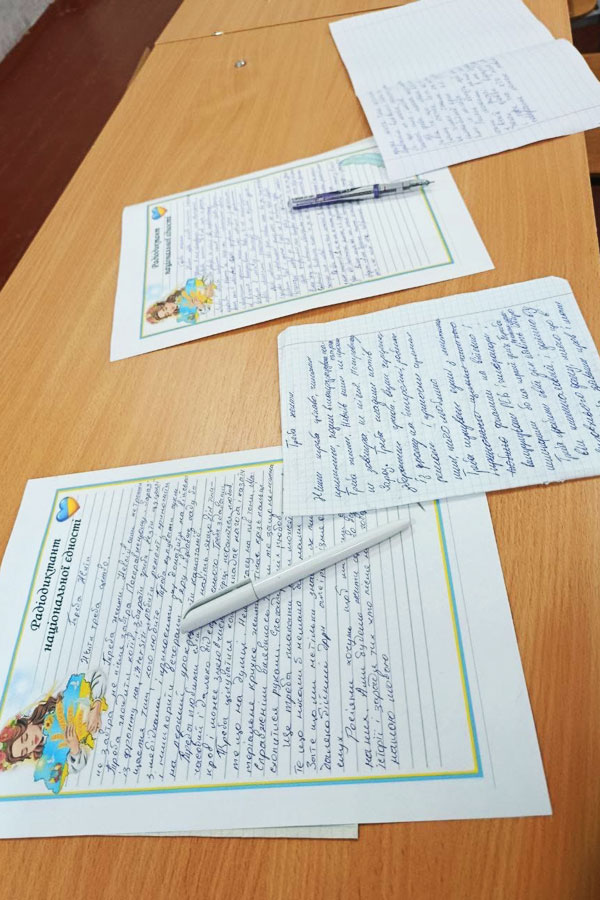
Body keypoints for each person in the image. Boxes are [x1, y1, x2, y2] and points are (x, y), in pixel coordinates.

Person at [0, 669, 107, 793]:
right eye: (25, 750)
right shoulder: (50, 756)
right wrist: (74, 748)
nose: (30, 743)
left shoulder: (54, 703)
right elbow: (78, 767)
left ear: (26, 723)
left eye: (25, 737)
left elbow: (97, 675)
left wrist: (96, 706)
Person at [145, 277, 216, 325]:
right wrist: (200, 306)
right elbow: (202, 313)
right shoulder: (182, 313)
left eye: (165, 308)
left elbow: (192, 283)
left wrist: (204, 287)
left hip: (203, 286)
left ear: (163, 303)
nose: (169, 310)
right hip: (207, 299)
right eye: (167, 313)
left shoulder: (177, 293)